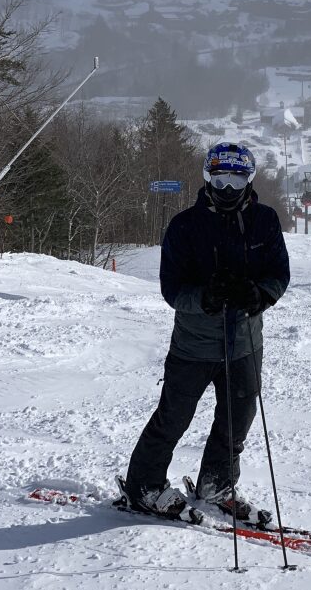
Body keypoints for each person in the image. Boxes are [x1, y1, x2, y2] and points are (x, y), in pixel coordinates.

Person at [123, 142, 290, 520]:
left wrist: (258, 294)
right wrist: (206, 297)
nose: (227, 188)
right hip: (194, 346)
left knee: (236, 424)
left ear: (249, 179)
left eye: (236, 178)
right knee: (173, 418)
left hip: (245, 343)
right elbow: (172, 288)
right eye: (220, 177)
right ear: (207, 177)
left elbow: (279, 273)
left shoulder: (265, 220)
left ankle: (217, 484)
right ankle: (143, 485)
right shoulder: (185, 226)